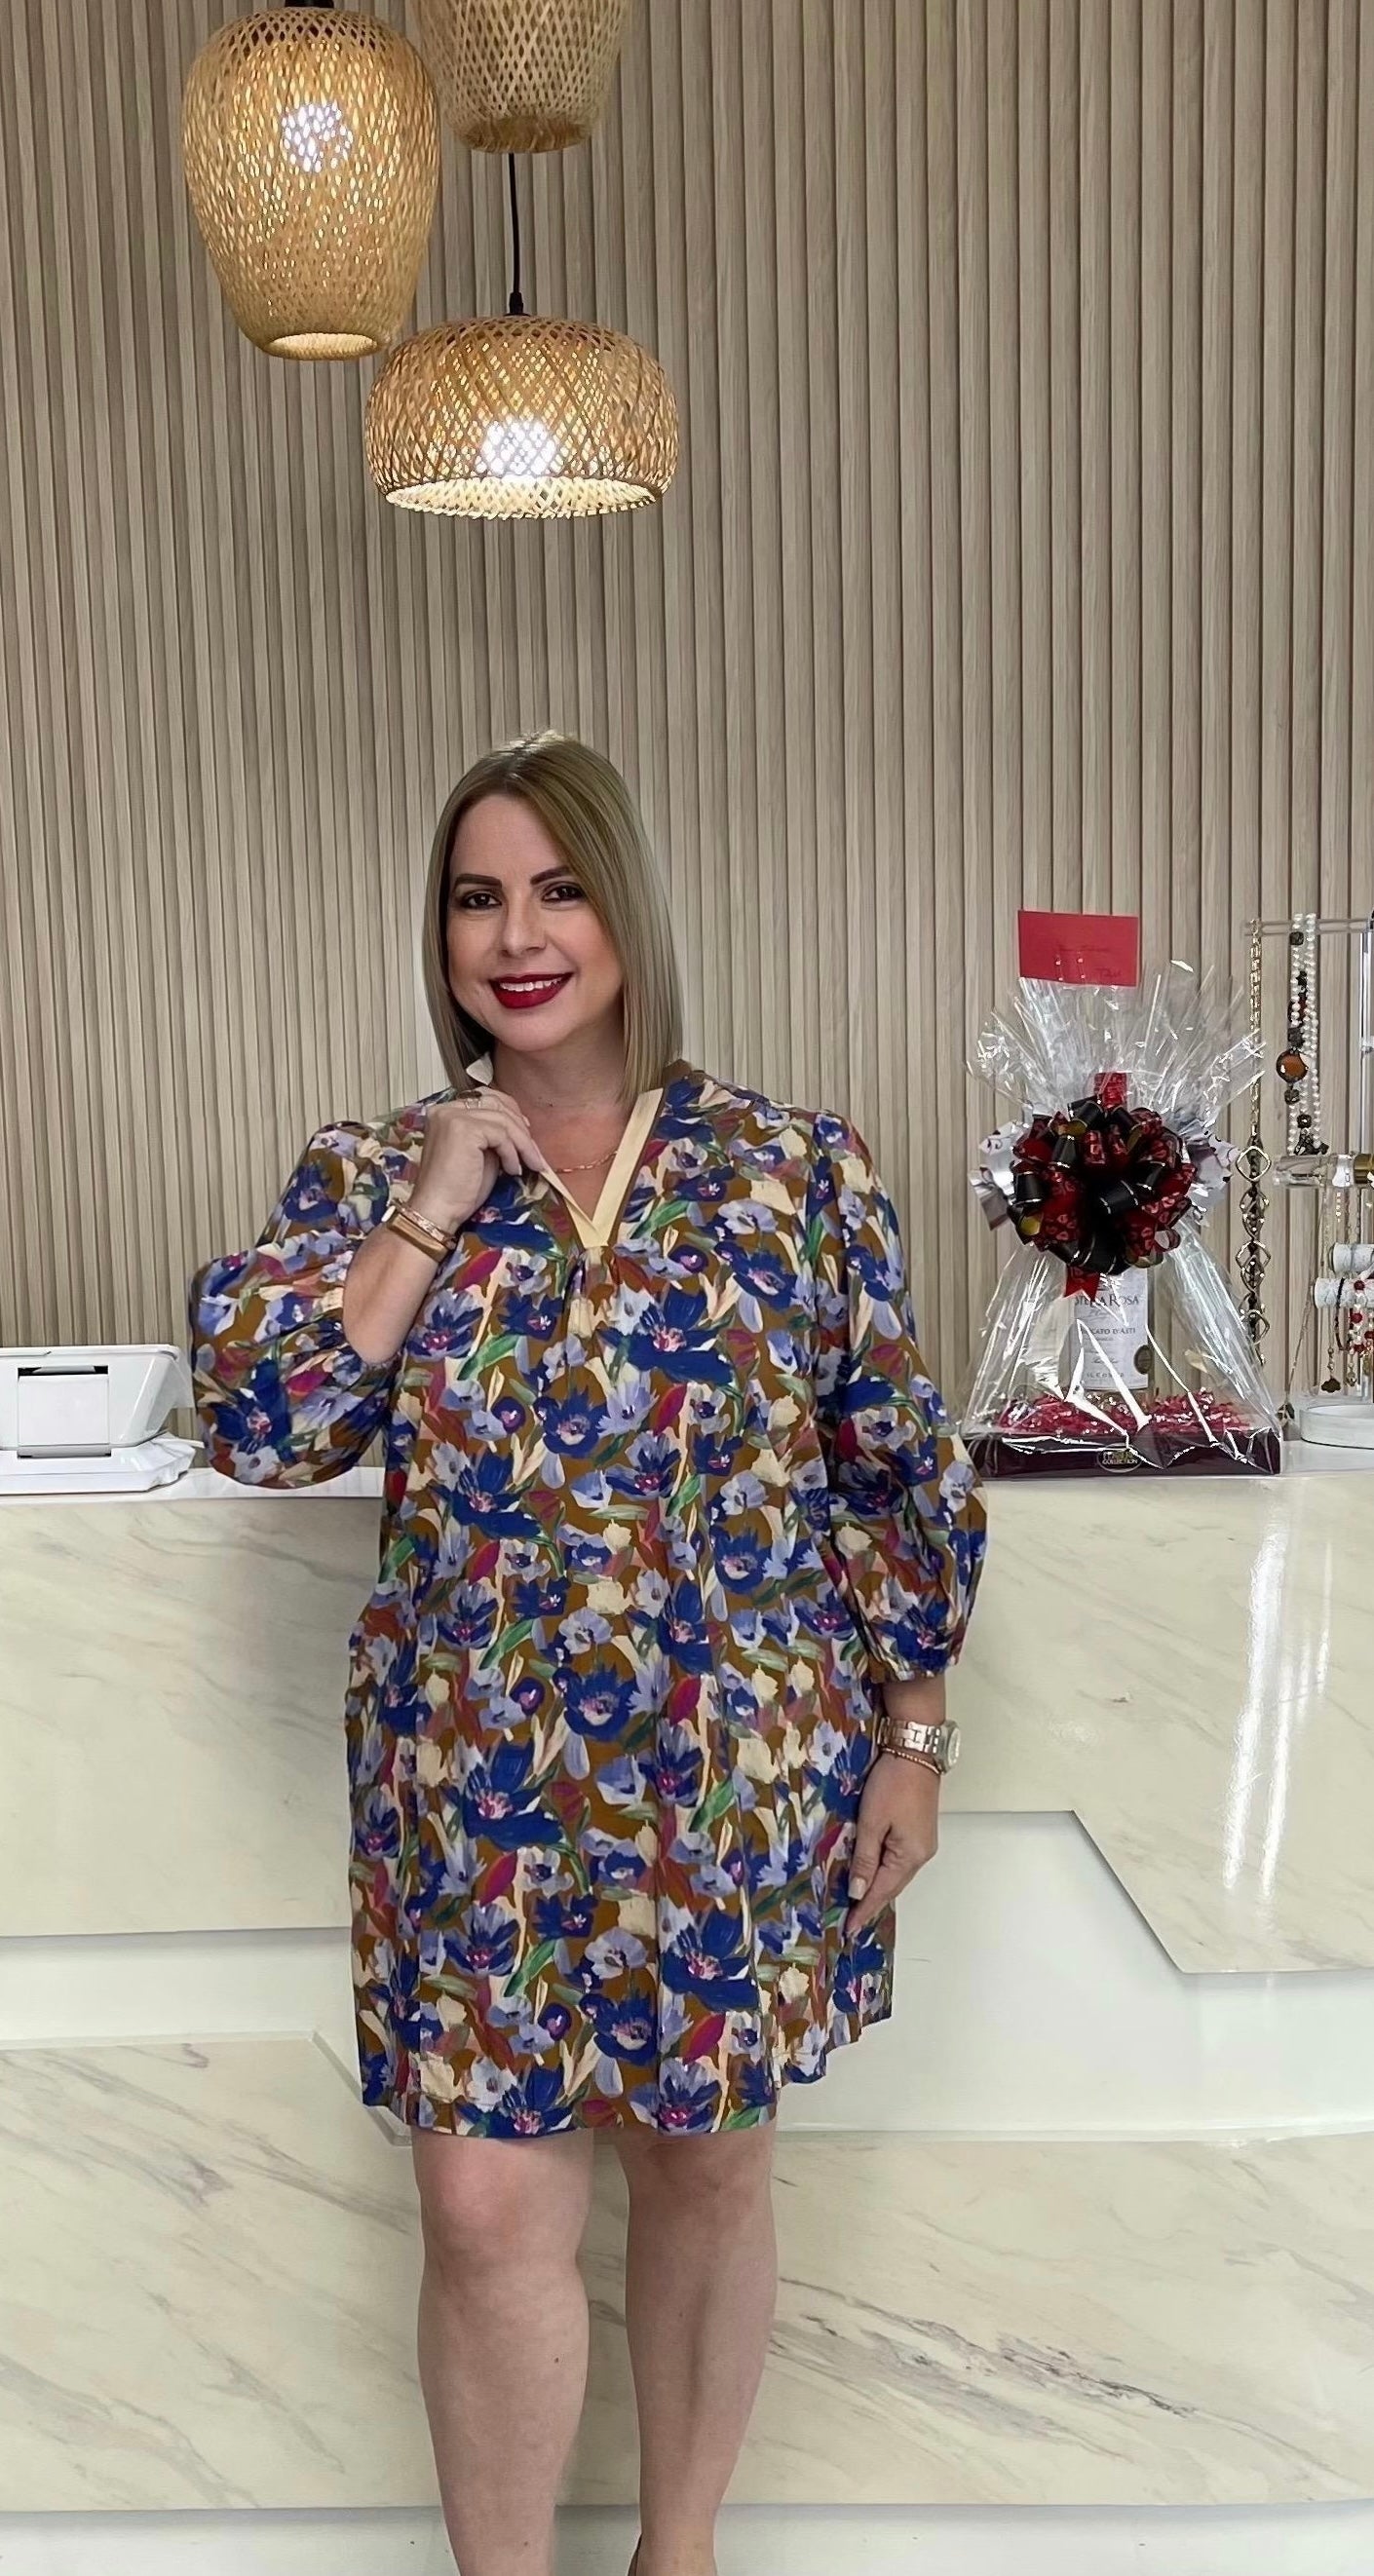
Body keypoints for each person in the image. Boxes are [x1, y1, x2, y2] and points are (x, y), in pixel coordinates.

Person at [188, 732, 987, 2576]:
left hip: (735, 1771)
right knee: (482, 2213)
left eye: (557, 891)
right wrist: (428, 1209)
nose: (518, 936)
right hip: (472, 1780)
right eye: (477, 899)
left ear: (624, 908)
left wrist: (915, 1734)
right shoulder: (370, 1171)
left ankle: (676, 2553)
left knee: (707, 2167)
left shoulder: (787, 1170)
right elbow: (265, 1423)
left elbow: (885, 1464)